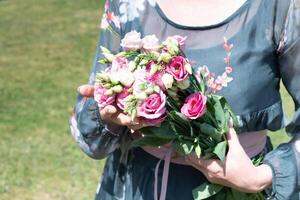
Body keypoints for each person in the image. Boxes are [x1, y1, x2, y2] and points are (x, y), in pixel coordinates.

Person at [70, 0, 300, 199]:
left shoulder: (278, 7)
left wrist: (260, 177)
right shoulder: (129, 5)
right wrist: (107, 113)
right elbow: (90, 137)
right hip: (138, 186)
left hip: (239, 192)